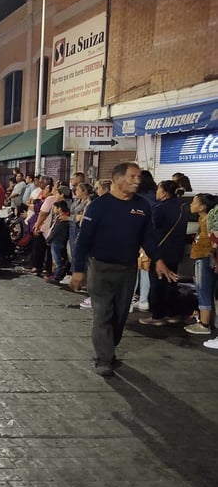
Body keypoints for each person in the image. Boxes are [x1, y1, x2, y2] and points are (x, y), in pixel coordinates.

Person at [71, 162, 178, 377]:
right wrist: (78, 270)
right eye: (132, 176)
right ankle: (104, 358)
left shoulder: (143, 206)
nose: (137, 180)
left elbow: (149, 237)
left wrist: (158, 259)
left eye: (138, 176)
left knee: (119, 316)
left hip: (127, 269)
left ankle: (109, 347)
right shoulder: (99, 206)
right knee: (103, 313)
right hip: (99, 268)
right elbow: (83, 240)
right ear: (117, 178)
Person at [138, 180, 188, 326]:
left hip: (160, 251)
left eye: (159, 190)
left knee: (158, 283)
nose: (156, 193)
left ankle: (158, 316)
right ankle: (172, 314)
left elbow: (151, 229)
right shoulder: (181, 208)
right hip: (175, 251)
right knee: (171, 283)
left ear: (165, 192)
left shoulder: (160, 208)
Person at [183, 193, 217, 337]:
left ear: (202, 207)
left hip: (204, 258)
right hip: (202, 258)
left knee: (203, 290)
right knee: (202, 289)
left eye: (194, 202)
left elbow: (209, 242)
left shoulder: (208, 222)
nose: (191, 204)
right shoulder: (202, 219)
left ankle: (204, 324)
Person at [44, 200, 70, 284]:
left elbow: (56, 231)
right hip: (57, 240)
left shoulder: (63, 219)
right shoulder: (60, 217)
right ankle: (55, 274)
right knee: (56, 259)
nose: (54, 209)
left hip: (57, 241)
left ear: (60, 208)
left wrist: (49, 239)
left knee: (57, 260)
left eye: (55, 208)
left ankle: (57, 275)